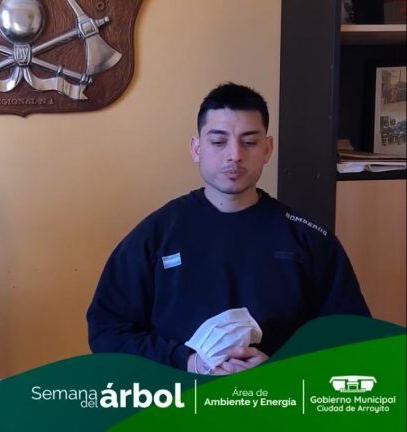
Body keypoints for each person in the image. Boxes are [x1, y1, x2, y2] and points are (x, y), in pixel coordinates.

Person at [86, 83, 370, 375]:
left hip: (281, 397)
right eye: (218, 142)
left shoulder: (309, 239)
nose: (234, 155)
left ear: (267, 149)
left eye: (249, 142)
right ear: (197, 149)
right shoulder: (155, 235)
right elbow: (107, 330)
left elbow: (352, 338)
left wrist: (282, 369)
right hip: (177, 397)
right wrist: (188, 362)